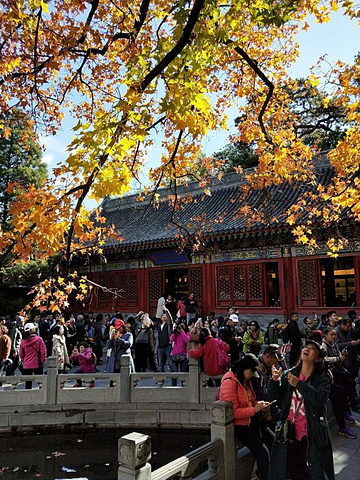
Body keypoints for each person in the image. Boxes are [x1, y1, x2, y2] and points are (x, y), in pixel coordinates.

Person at [268, 332, 335, 480]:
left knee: (313, 471)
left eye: (312, 349)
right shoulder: (289, 374)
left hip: (312, 433)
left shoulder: (322, 379)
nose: (307, 349)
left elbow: (320, 398)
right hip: (289, 433)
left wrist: (299, 384)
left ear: (317, 358)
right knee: (294, 470)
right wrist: (274, 380)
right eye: (306, 347)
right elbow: (273, 397)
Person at [218, 354, 271, 480]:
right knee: (263, 453)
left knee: (270, 442)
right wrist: (254, 409)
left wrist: (258, 404)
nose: (252, 374)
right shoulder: (229, 383)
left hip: (249, 422)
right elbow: (233, 413)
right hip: (239, 426)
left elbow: (250, 399)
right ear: (245, 368)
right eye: (251, 371)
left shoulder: (245, 380)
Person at [322, 326, 359, 438]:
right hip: (330, 378)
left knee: (349, 383)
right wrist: (338, 359)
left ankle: (347, 413)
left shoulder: (334, 344)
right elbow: (325, 360)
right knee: (339, 394)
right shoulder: (323, 347)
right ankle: (342, 425)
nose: (334, 337)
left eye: (335, 335)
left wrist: (342, 355)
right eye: (331, 335)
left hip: (336, 374)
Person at [19, 323, 46, 389]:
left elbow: (21, 354)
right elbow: (43, 351)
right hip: (37, 363)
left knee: (28, 384)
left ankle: (28, 398)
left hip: (27, 365)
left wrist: (24, 360)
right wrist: (42, 361)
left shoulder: (23, 341)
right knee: (41, 383)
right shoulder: (39, 339)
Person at [156, 306, 173, 372]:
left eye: (165, 315)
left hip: (167, 345)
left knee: (170, 363)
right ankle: (161, 378)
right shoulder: (159, 326)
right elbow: (157, 337)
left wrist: (166, 310)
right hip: (160, 346)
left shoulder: (168, 325)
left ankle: (173, 379)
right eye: (163, 316)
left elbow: (170, 320)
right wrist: (156, 347)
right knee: (160, 364)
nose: (164, 316)